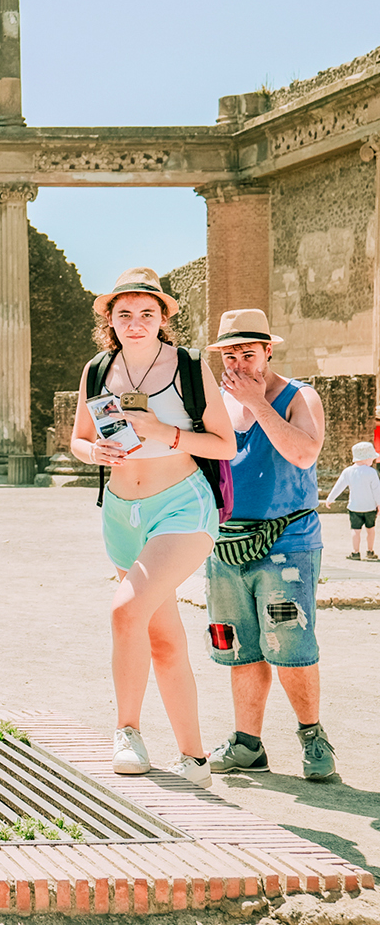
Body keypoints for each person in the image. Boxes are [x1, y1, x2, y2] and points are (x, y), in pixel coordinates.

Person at [68, 268, 236, 785]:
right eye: (125, 314)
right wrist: (94, 451)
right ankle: (195, 759)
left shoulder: (189, 365)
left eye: (147, 313)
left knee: (125, 611)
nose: (136, 322)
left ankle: (127, 732)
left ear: (163, 318)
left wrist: (166, 432)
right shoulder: (97, 369)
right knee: (161, 636)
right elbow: (77, 439)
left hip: (182, 506)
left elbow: (225, 445)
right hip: (121, 513)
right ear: (110, 320)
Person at [204, 308, 335, 781]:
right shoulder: (215, 401)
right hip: (225, 544)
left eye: (248, 353)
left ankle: (313, 737)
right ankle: (247, 744)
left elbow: (304, 453)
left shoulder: (300, 396)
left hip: (288, 544)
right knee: (239, 647)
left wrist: (258, 403)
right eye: (230, 355)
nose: (239, 363)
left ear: (268, 351)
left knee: (292, 646)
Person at [326, 441, 380, 561]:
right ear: (366, 458)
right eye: (372, 458)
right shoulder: (372, 472)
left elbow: (339, 486)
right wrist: (379, 504)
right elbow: (377, 490)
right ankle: (370, 551)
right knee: (370, 530)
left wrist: (330, 499)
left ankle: (355, 552)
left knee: (355, 531)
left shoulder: (348, 472)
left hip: (354, 507)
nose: (373, 460)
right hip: (370, 508)